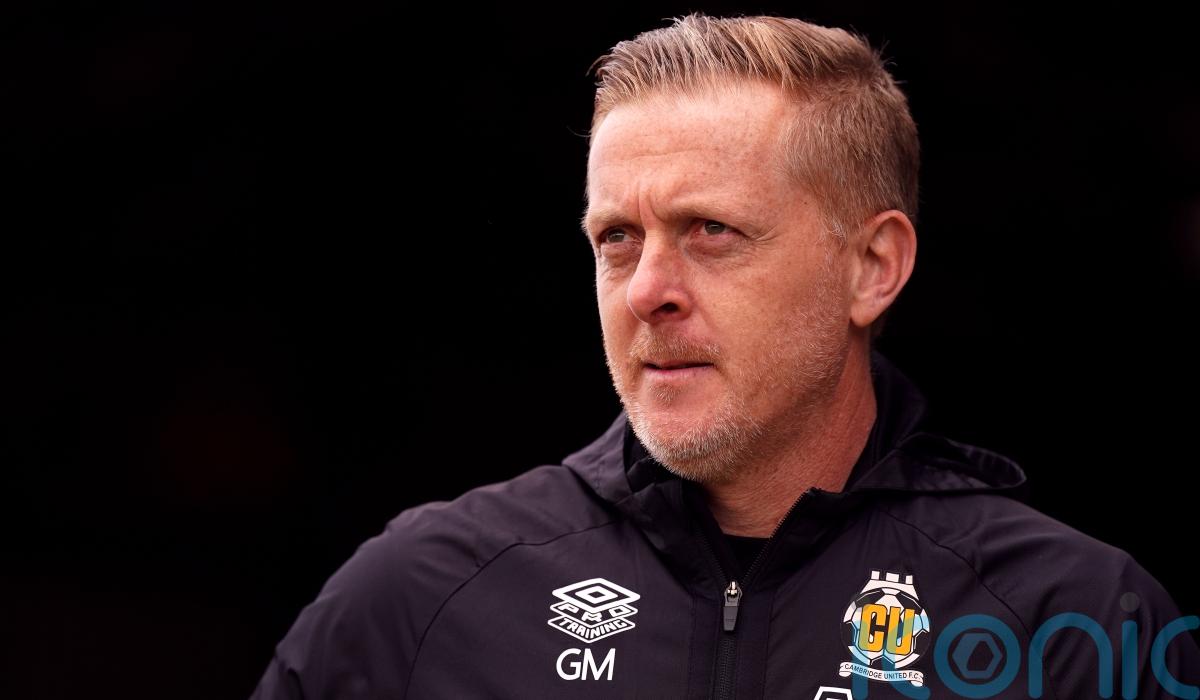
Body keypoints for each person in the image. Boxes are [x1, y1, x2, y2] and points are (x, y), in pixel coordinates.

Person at [250, 13, 1198, 699]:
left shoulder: (1071, 622)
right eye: (617, 238)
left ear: (873, 267)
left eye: (711, 231)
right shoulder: (420, 598)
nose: (646, 290)